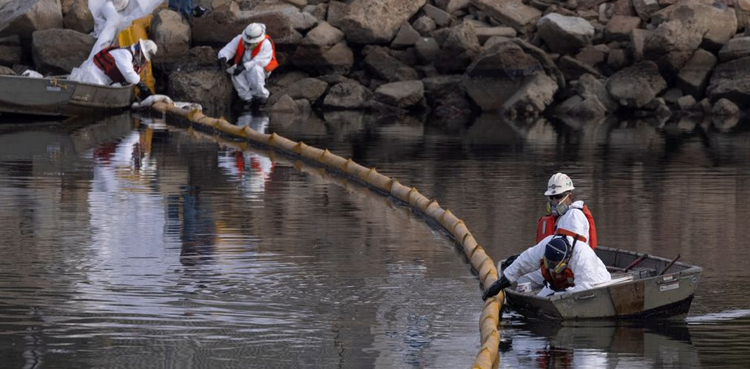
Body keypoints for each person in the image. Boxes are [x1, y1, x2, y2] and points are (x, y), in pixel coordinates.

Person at [482, 232, 611, 300]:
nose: (551, 267)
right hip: (561, 286)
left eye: (554, 265)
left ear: (566, 258)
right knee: (538, 302)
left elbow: (585, 288)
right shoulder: (546, 245)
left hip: (595, 286)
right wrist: (500, 283)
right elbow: (523, 263)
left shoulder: (583, 257)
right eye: (548, 262)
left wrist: (559, 295)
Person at [217, 23, 278, 110]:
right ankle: (247, 99)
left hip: (261, 69)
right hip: (242, 66)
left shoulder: (266, 43)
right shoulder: (239, 38)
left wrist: (244, 67)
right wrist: (223, 57)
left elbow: (260, 61)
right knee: (235, 74)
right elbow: (229, 49)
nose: (248, 44)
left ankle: (261, 97)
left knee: (255, 71)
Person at [70, 39, 157, 99]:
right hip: (90, 76)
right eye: (143, 58)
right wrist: (143, 86)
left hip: (98, 79)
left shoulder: (129, 57)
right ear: (139, 51)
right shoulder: (125, 54)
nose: (142, 61)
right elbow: (129, 74)